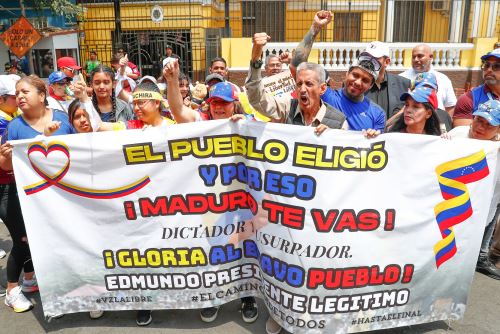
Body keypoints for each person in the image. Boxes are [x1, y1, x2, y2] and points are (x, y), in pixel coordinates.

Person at [0, 75, 75, 313]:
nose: (19, 97)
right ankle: (12, 290)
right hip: (19, 194)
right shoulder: (14, 126)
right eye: (17, 93)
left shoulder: (63, 119)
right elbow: (5, 166)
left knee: (49, 238)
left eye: (25, 92)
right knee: (23, 240)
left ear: (42, 96)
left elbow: (78, 150)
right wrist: (7, 155)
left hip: (58, 194)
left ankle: (31, 280)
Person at [446, 100, 499, 279]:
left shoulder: (497, 149)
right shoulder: (457, 134)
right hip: (451, 206)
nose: (480, 127)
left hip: (480, 211)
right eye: (478, 120)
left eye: (488, 125)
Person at [320, 53, 386, 132]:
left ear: (371, 85)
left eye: (365, 80)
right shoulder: (325, 95)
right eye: (355, 75)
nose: (358, 82)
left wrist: (374, 136)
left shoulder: (378, 114)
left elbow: (378, 143)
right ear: (347, 74)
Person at [399, 44, 456, 115]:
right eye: (413, 57)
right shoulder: (401, 78)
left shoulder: (443, 79)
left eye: (420, 56)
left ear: (431, 57)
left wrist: (446, 124)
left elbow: (450, 107)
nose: (416, 59)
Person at [362, 41, 411, 119]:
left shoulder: (403, 84)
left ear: (387, 62)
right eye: (367, 57)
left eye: (375, 58)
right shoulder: (356, 84)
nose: (370, 61)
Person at [453, 49, 500, 127]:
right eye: (486, 65)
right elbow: (462, 134)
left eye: (497, 66)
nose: (489, 70)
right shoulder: (468, 99)